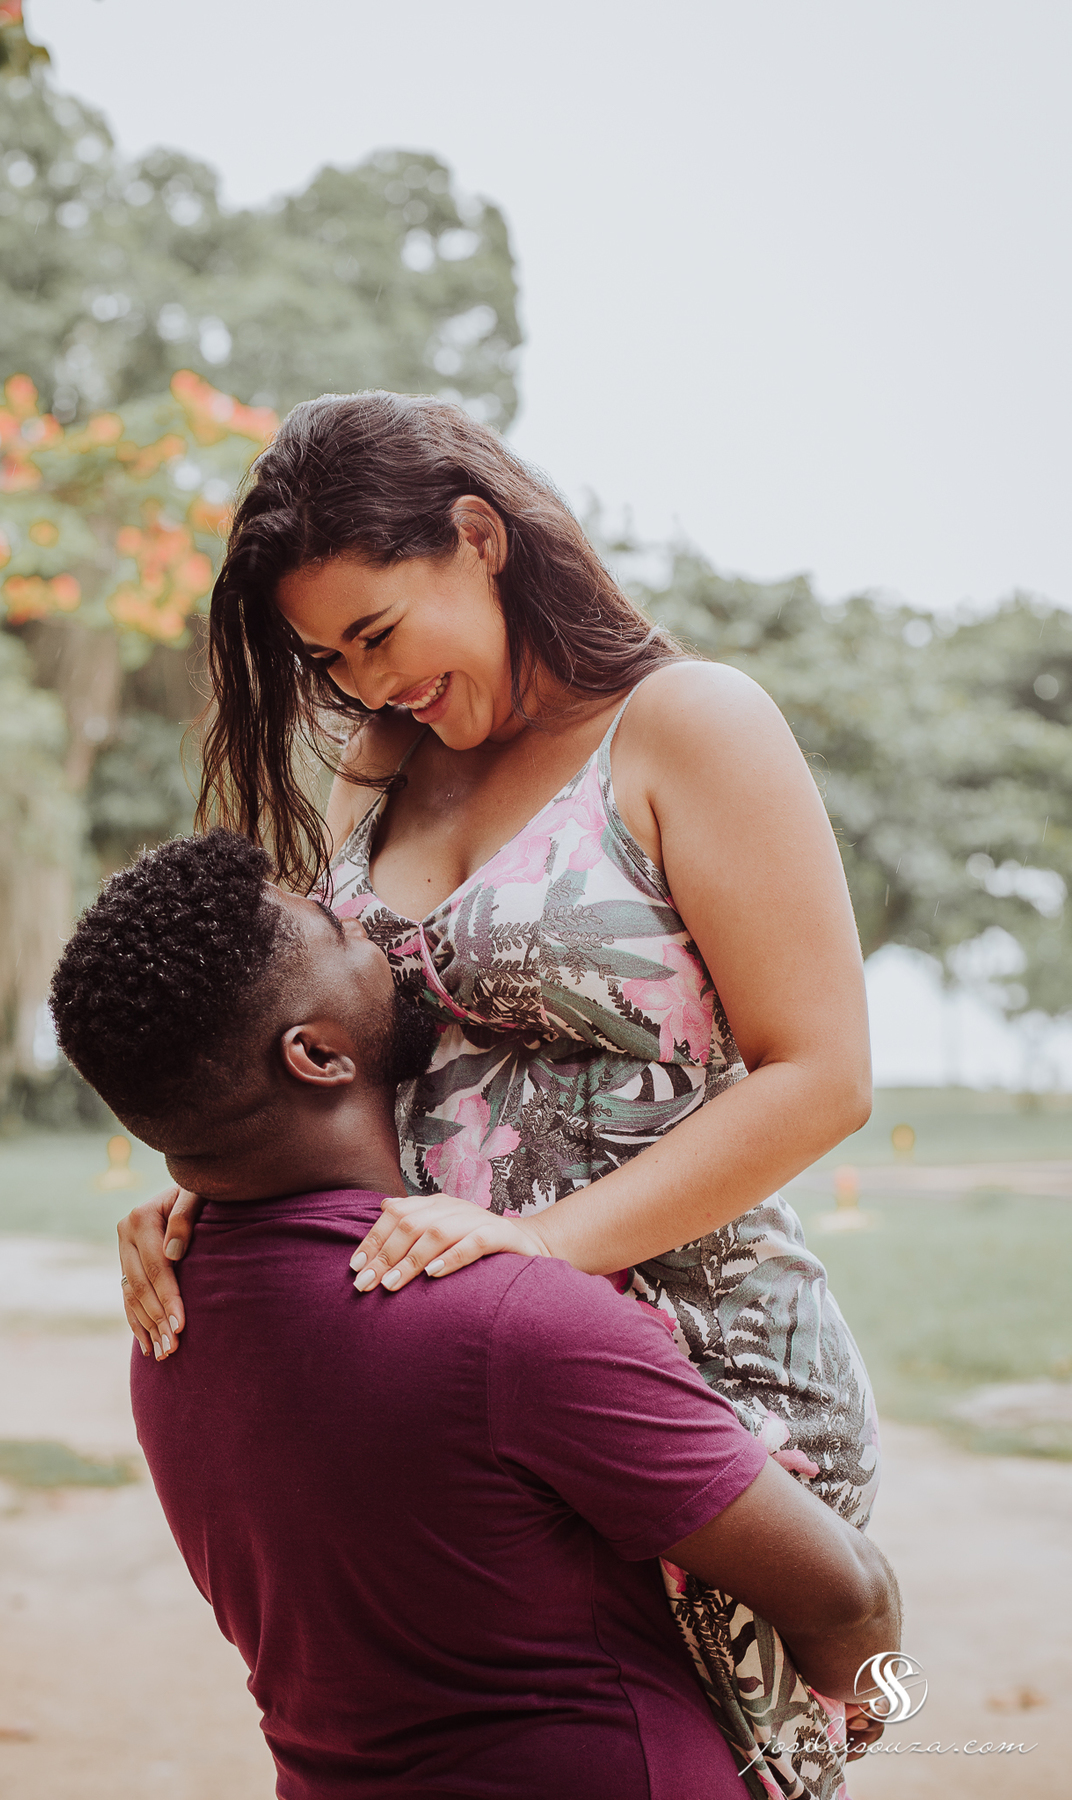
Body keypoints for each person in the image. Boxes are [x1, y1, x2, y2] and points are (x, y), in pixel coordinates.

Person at [116, 393, 880, 1795]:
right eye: (329, 660)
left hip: (700, 1372)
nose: (366, 685)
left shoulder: (686, 725)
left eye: (378, 633)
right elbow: (322, 1030)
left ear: (478, 538)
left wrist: (536, 1249)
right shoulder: (385, 760)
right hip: (474, 1390)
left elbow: (823, 1077)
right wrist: (200, 1189)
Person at [50, 831, 899, 1800]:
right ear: (316, 1054)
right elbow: (851, 1597)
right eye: (339, 928)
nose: (381, 933)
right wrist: (859, 1707)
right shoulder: (505, 1321)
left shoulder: (167, 1329)